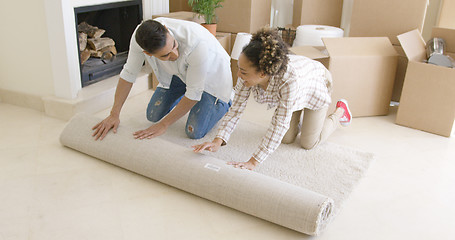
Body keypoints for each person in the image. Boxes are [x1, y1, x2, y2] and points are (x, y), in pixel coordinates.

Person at [192, 28, 352, 170]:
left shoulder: (289, 81)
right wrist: (218, 140)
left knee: (308, 143)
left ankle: (340, 111)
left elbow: (279, 124)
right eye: (239, 69)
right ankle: (302, 119)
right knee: (287, 139)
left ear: (262, 74)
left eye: (243, 72)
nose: (238, 75)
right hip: (293, 95)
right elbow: (235, 110)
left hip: (315, 85)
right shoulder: (246, 74)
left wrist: (253, 162)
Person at [92, 18, 232, 140]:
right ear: (147, 53)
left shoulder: (196, 44)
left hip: (212, 78)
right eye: (165, 56)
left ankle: (225, 102)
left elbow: (194, 94)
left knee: (194, 132)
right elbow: (128, 74)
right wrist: (114, 114)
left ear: (166, 30)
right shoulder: (139, 38)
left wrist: (163, 125)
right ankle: (185, 90)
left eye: (174, 45)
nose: (175, 54)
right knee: (153, 116)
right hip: (179, 75)